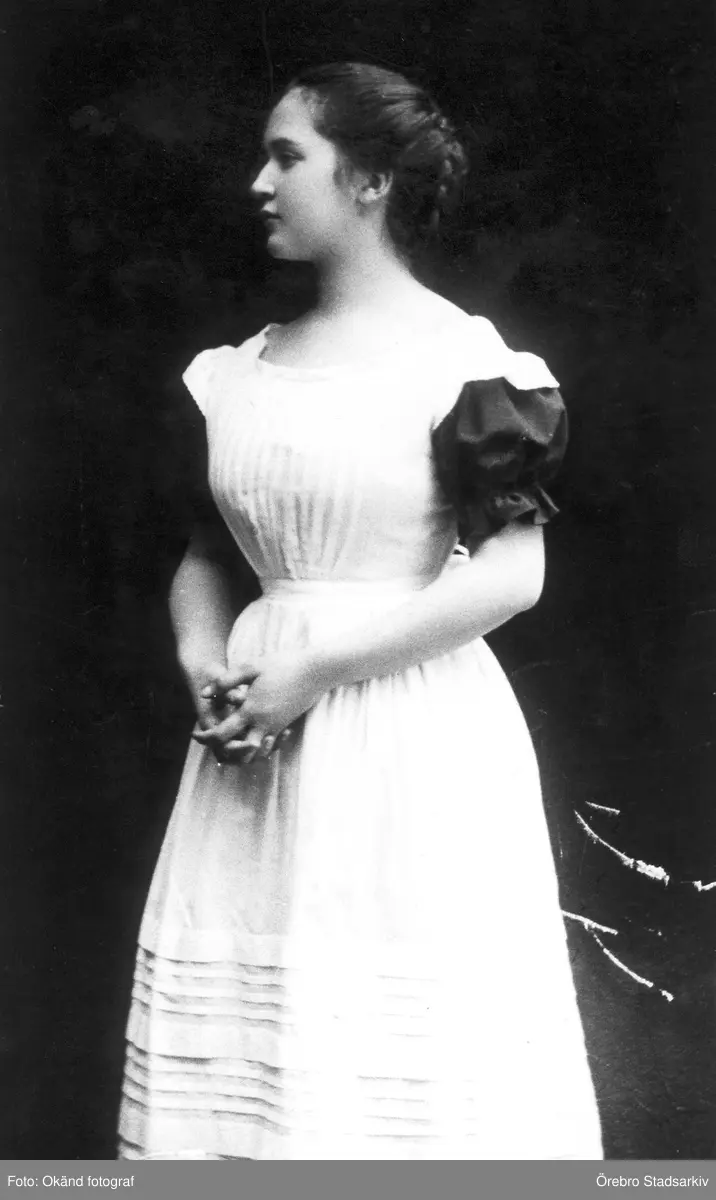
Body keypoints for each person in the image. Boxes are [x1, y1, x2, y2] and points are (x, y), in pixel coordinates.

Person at [117, 62, 603, 1161]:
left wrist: (315, 673)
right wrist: (202, 656)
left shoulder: (467, 367)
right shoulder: (234, 376)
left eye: (286, 156)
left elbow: (510, 574)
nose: (259, 182)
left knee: (402, 1064)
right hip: (253, 748)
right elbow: (206, 553)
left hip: (407, 735)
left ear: (371, 180)